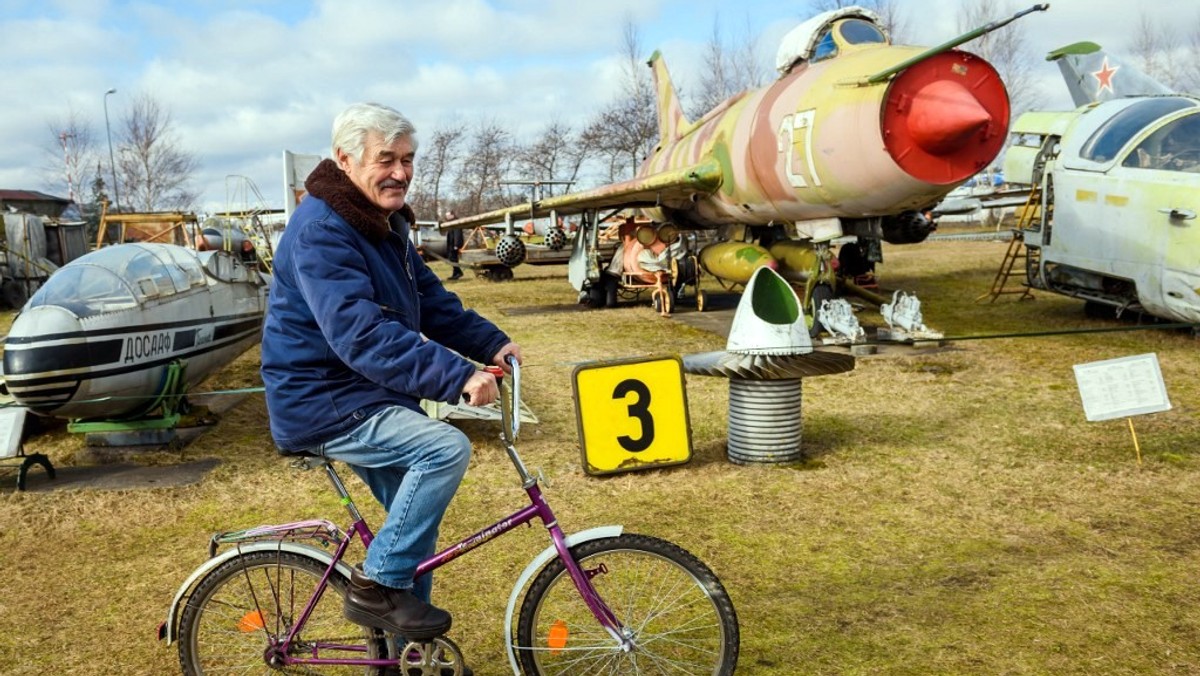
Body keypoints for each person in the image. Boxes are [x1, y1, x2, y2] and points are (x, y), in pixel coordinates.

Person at [261, 103, 521, 666]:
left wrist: (491, 344)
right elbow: (361, 335)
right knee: (445, 447)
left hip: (363, 394)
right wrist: (459, 378)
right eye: (386, 159)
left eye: (408, 160)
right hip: (325, 400)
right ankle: (373, 587)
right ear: (345, 160)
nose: (400, 172)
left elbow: (430, 302)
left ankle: (406, 656)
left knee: (413, 542)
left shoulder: (381, 224)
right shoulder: (323, 229)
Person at [444, 210, 464, 280]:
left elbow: (457, 234)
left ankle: (459, 273)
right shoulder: (451, 223)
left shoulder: (456, 222)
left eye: (448, 215)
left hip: (454, 245)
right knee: (452, 259)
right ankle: (455, 274)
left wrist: (456, 245)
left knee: (453, 259)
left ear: (452, 215)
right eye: (446, 216)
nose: (447, 217)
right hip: (451, 244)